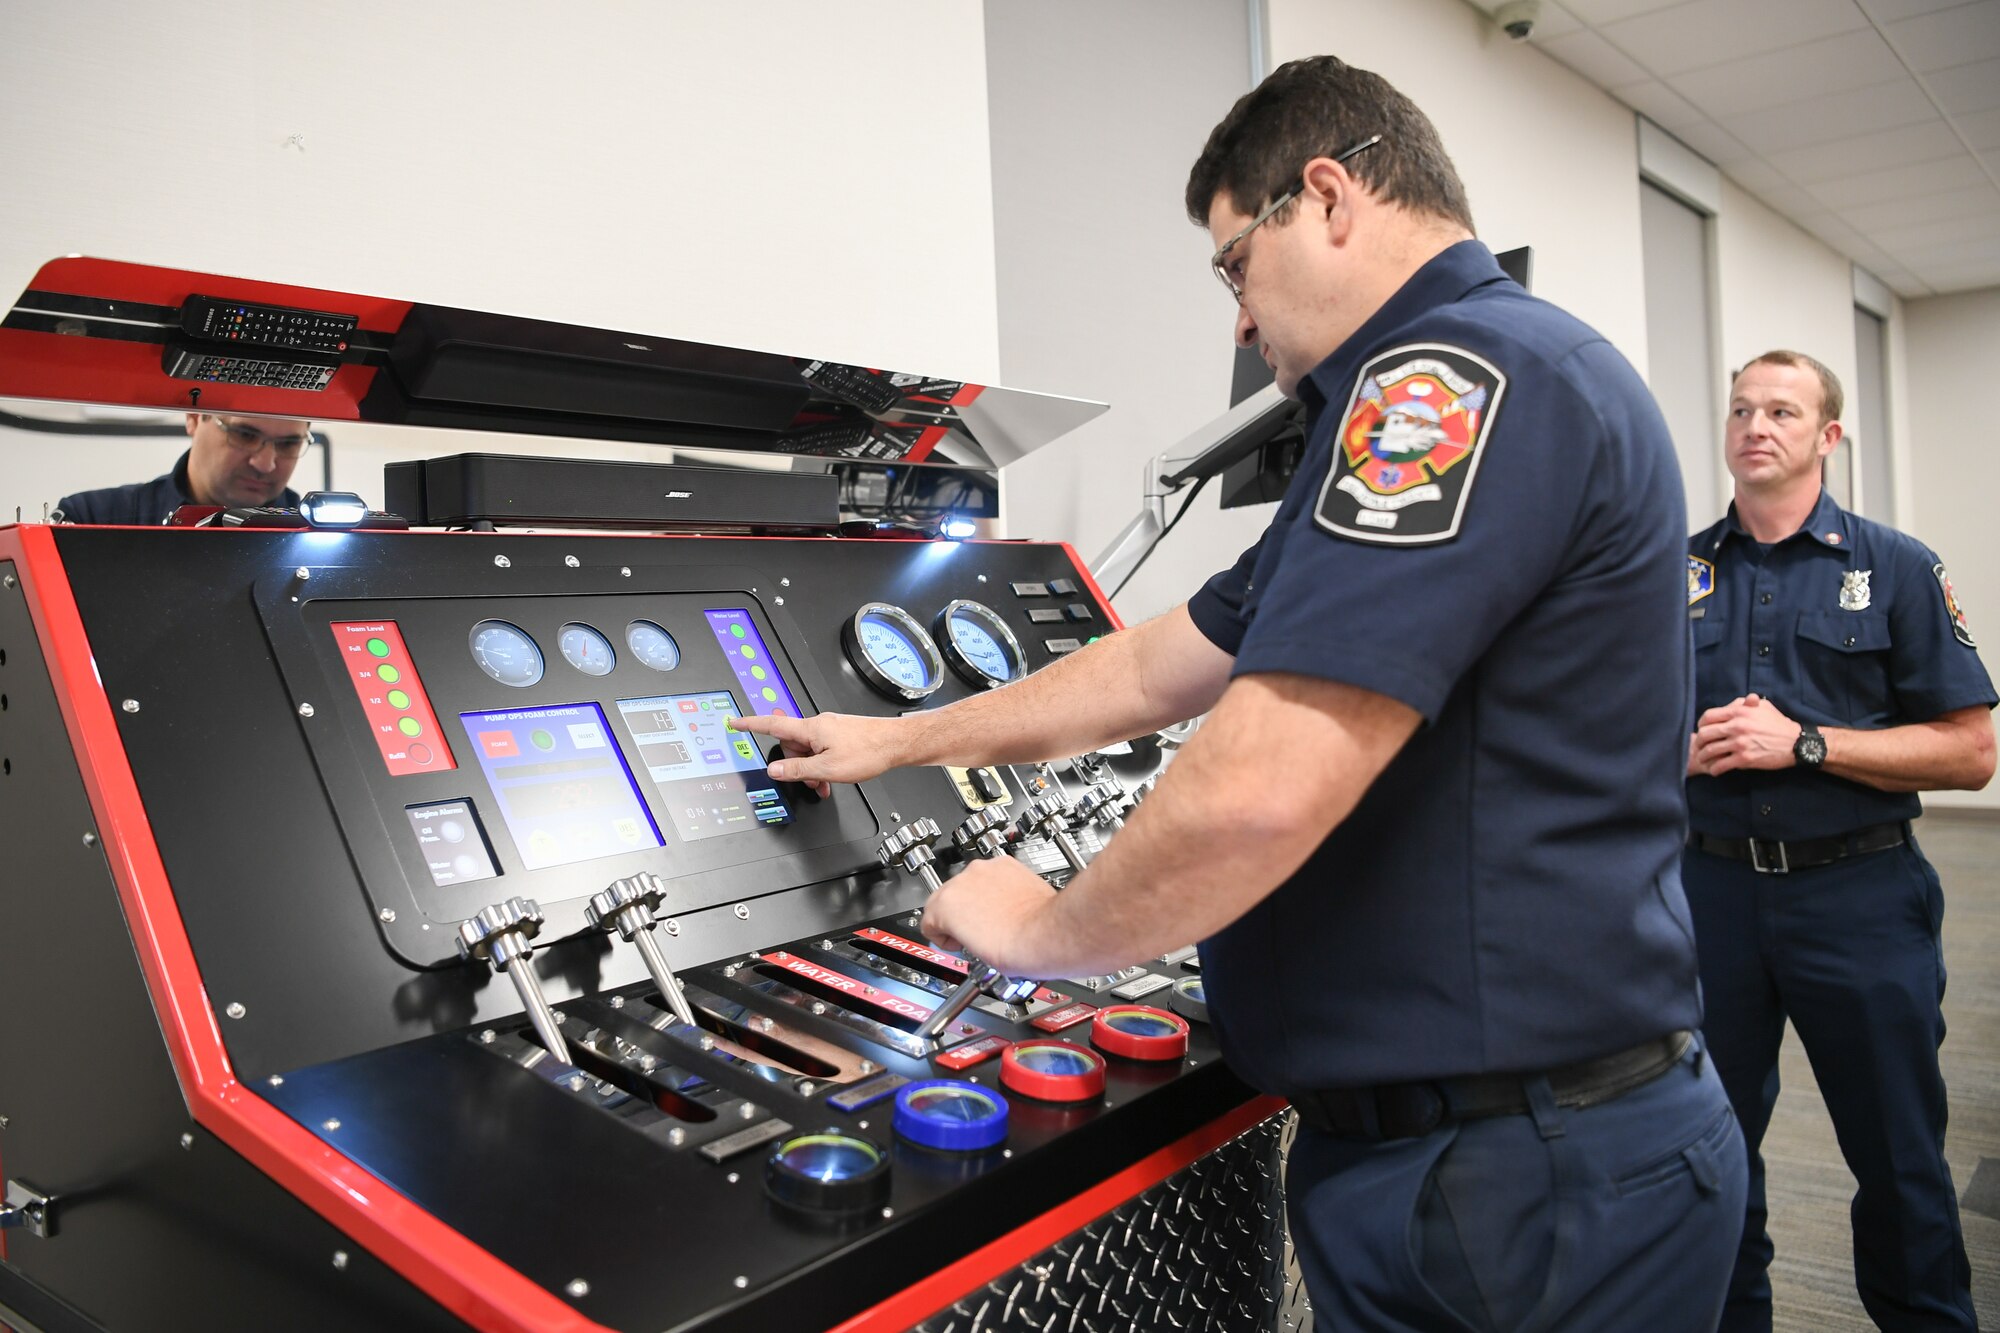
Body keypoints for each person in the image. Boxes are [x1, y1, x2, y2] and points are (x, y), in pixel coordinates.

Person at [735, 55, 1745, 1330]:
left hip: (1521, 1176)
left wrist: (1037, 932)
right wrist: (901, 735)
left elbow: (1259, 788)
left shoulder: (1446, 384)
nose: (1236, 320)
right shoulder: (1465, 387)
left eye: (1231, 266)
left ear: (1325, 196)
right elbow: (1164, 661)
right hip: (1481, 1149)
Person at [1684, 350, 1995, 1333]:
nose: (1753, 425)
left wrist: (1804, 742)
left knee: (1895, 1155)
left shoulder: (1893, 567)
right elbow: (1602, 731)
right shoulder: (1670, 573)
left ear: (1826, 435)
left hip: (1857, 896)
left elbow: (1969, 750)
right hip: (1708, 898)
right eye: (1739, 408)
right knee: (1708, 1152)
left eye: (1780, 409)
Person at [55, 412, 311, 524]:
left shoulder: (322, 537)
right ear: (193, 418)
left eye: (288, 444)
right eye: (244, 435)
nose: (265, 464)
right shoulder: (92, 519)